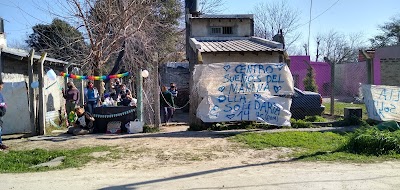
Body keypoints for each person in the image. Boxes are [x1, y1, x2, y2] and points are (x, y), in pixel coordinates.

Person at [0, 81, 8, 150]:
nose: (2, 87)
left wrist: (4, 105)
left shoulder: (0, 94)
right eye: (2, 85)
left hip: (0, 114)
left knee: (0, 128)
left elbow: (2, 102)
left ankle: (0, 143)